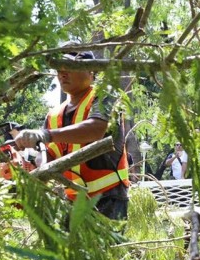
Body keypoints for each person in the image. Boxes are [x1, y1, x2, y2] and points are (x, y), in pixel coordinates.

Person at [14, 47, 129, 221]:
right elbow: (49, 156)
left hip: (108, 199)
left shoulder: (105, 97)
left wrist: (45, 135)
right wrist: (32, 178)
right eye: (59, 69)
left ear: (92, 71)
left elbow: (97, 129)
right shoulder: (53, 115)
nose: (62, 73)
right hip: (71, 202)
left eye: (69, 67)